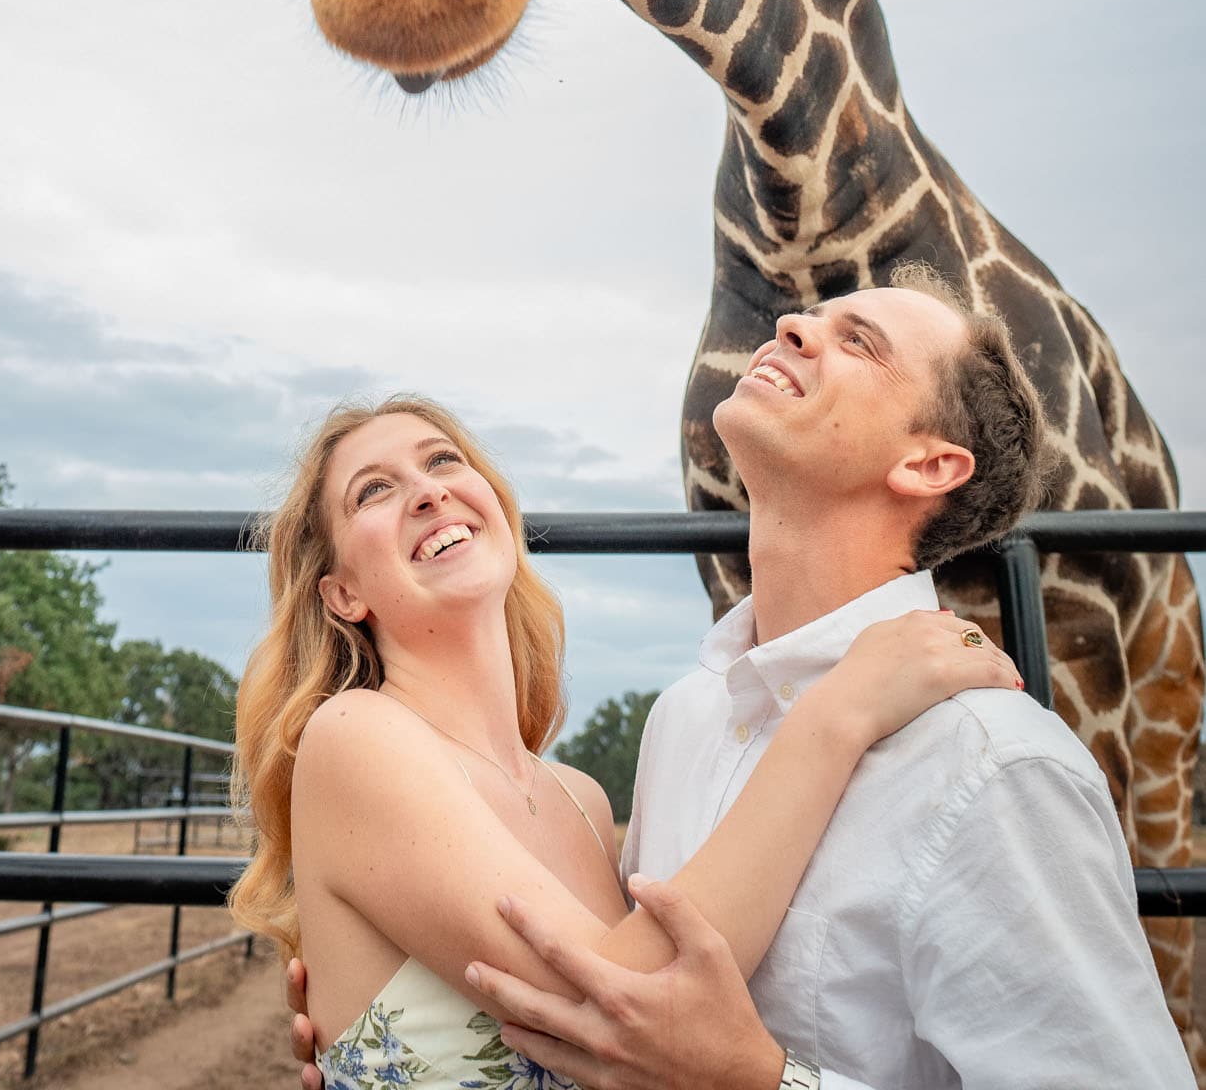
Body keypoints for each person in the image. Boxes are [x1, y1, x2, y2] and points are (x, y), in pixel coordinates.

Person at [371, 272, 1192, 1089]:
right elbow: (604, 1006)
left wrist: (763, 1082)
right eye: (809, 317)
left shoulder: (998, 764)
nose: (794, 325)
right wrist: (395, 1042)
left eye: (859, 342)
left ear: (930, 464)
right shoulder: (686, 720)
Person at [238, 373, 1023, 1090]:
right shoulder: (354, 734)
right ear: (342, 593)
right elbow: (634, 999)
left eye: (443, 461)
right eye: (373, 491)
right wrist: (837, 714)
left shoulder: (579, 799)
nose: (426, 492)